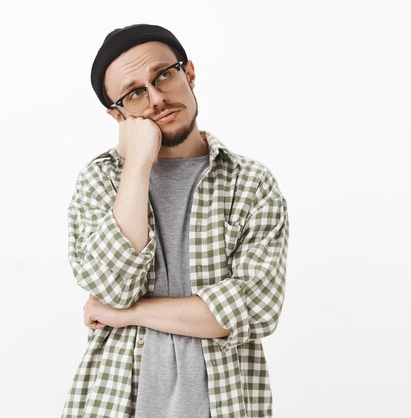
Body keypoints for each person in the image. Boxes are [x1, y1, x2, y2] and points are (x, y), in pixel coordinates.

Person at [61, 24, 290, 418]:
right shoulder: (99, 181)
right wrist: (136, 165)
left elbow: (253, 309)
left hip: (226, 403)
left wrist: (128, 315)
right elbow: (111, 287)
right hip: (114, 403)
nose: (155, 99)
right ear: (117, 114)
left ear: (190, 73)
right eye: (134, 94)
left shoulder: (251, 183)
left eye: (163, 75)